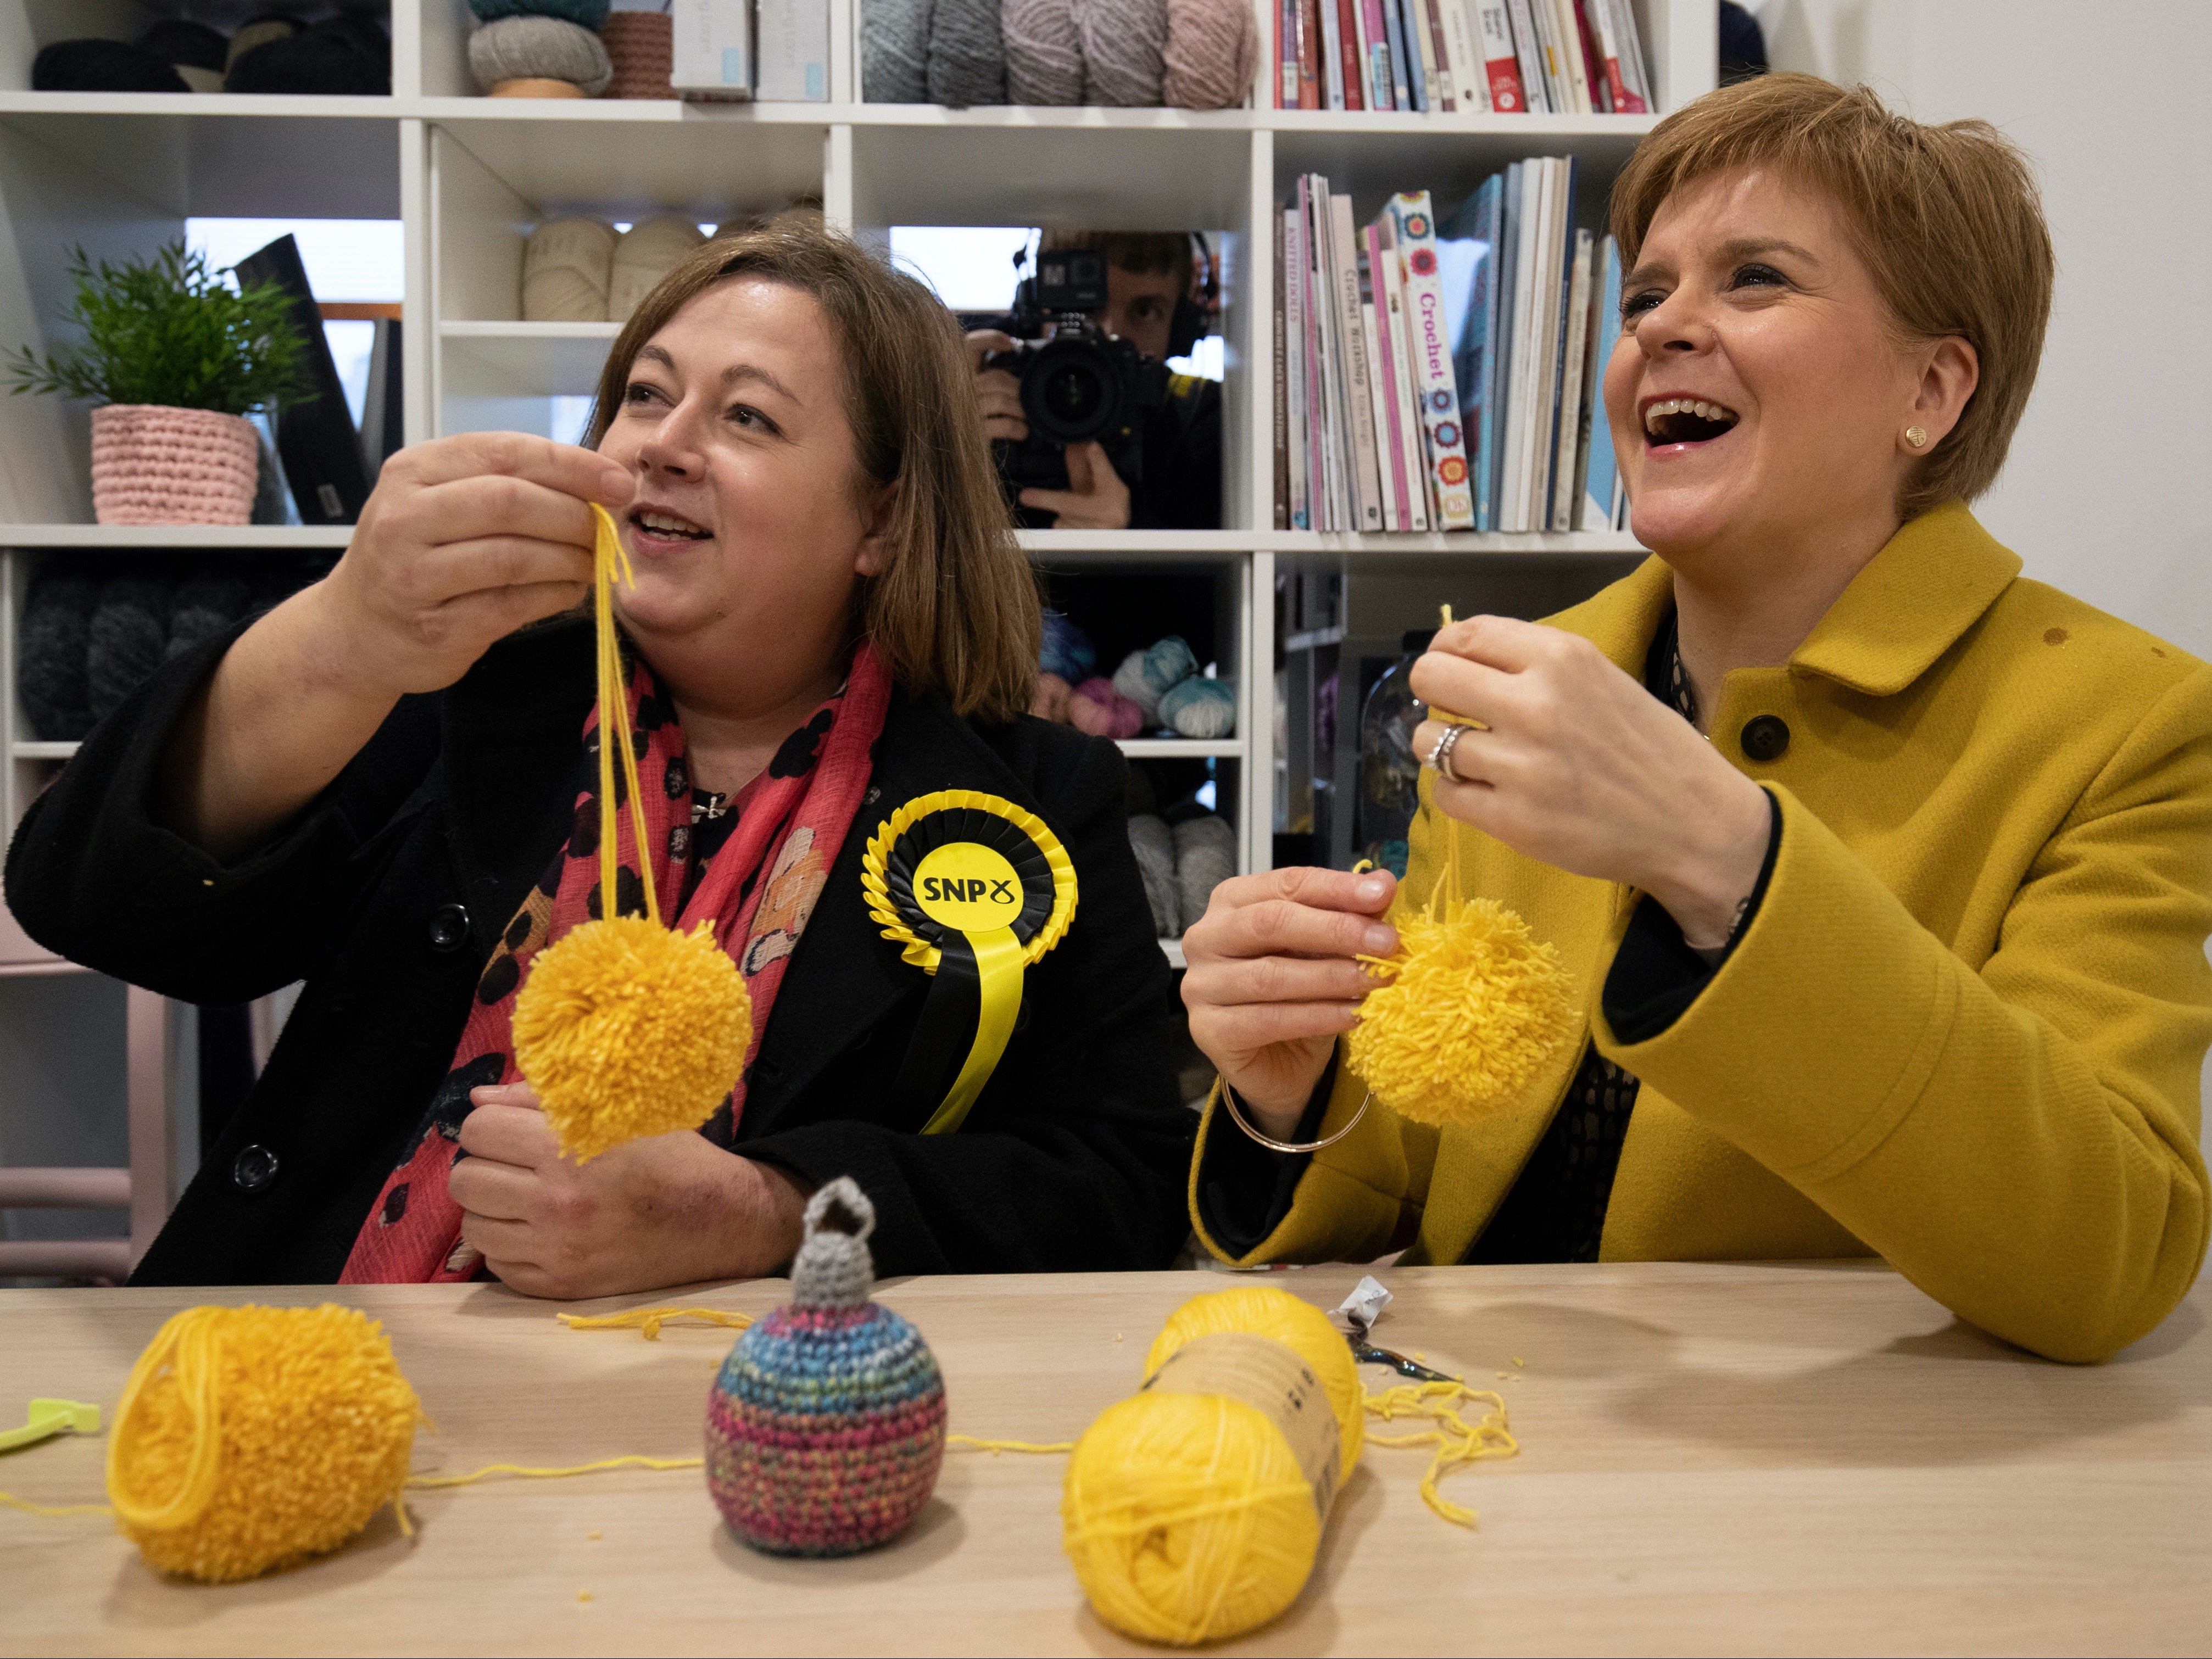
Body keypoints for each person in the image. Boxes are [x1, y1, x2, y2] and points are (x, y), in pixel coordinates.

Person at [1178, 72, 2212, 1364]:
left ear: (1933, 391)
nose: (1664, 329)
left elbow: (2106, 1252)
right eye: (1643, 294)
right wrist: (1293, 1086)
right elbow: (1416, 1159)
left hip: (1816, 1487)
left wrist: (1729, 860)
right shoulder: (1530, 679)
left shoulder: (2123, 722)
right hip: (1479, 1425)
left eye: (1755, 278)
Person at [7, 223, 1195, 1296]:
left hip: (753, 1434)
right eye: (644, 394)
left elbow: (1120, 1184)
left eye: (747, 417)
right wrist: (341, 636)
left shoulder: (1028, 796)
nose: (661, 447)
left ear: (880, 521)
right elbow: (94, 902)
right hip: (335, 1365)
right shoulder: (458, 699)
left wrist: (755, 1208)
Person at [964, 231, 1223, 531]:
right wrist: (947, 442)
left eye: (1145, 311)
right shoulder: (990, 377)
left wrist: (1133, 535)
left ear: (1180, 328)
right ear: (1041, 308)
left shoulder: (1198, 417)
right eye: (1086, 310)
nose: (1110, 334)